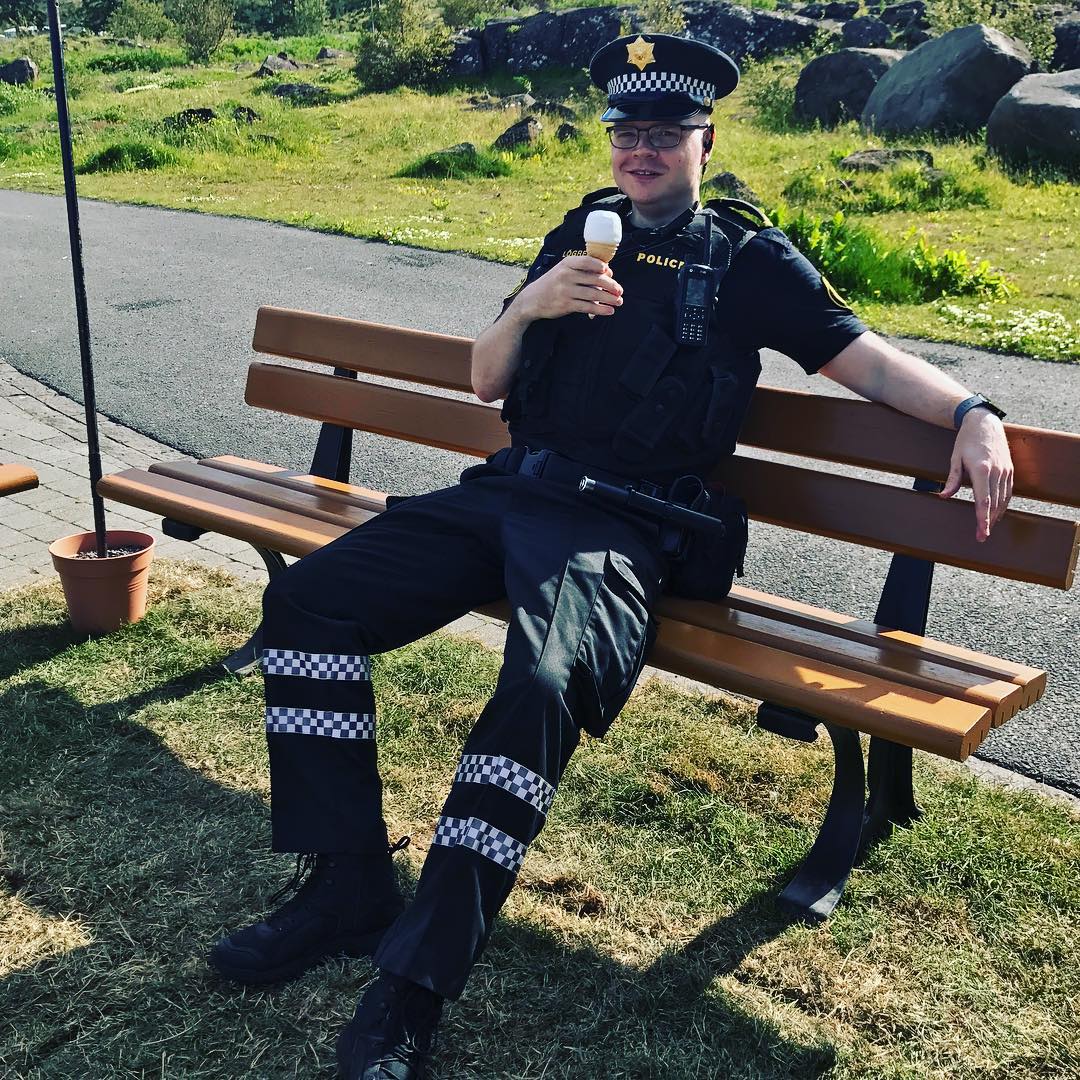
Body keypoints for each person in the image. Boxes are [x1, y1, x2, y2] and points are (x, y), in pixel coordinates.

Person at [208, 33, 1015, 1080]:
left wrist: (974, 411)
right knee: (310, 605)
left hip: (622, 525)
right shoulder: (580, 230)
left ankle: (413, 984)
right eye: (626, 131)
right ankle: (348, 884)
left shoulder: (748, 260)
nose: (642, 150)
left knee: (539, 688)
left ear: (705, 142)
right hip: (513, 490)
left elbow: (863, 359)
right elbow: (485, 380)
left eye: (666, 133)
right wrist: (534, 300)